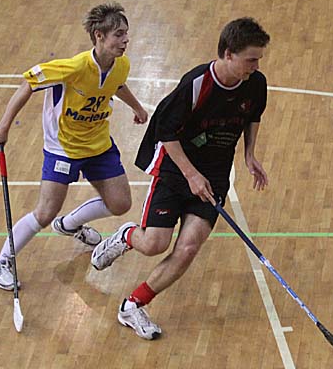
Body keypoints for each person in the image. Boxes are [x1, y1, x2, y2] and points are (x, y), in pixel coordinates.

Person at [90, 17, 270, 340]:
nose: (256, 66)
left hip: (214, 175)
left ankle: (133, 305)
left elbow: (252, 116)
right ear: (228, 54)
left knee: (187, 248)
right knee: (154, 244)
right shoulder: (197, 84)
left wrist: (249, 154)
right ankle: (127, 236)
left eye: (258, 59)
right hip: (176, 168)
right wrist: (191, 174)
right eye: (250, 60)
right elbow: (165, 131)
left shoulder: (256, 84)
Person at [0, 2, 149, 291]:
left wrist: (137, 107)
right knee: (45, 212)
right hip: (63, 148)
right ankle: (1, 261)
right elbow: (28, 84)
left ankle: (70, 224)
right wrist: (3, 126)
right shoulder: (73, 67)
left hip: (98, 145)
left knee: (120, 204)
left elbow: (117, 84)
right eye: (119, 35)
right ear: (99, 36)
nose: (126, 40)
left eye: (126, 34)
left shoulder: (121, 64)